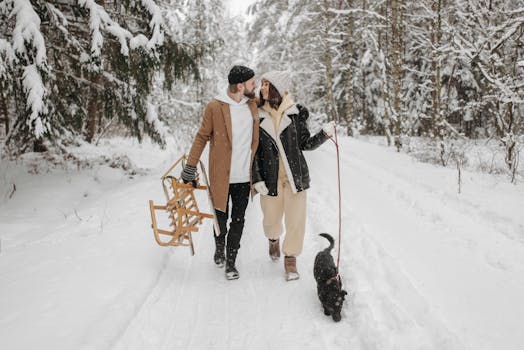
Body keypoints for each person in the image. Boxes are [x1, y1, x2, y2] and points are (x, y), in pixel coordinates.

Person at [251, 70, 335, 281]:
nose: (262, 88)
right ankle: (273, 239)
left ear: (276, 88)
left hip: (295, 178)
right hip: (270, 180)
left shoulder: (296, 113)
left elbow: (305, 144)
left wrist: (324, 135)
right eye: (261, 84)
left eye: (266, 84)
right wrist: (257, 177)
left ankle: (290, 259)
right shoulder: (257, 115)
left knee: (296, 221)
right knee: (271, 222)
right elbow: (253, 151)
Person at [181, 65, 259, 280]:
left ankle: (231, 261)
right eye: (253, 82)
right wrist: (190, 166)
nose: (257, 86)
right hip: (220, 177)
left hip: (244, 177)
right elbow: (201, 136)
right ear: (241, 85)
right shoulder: (215, 107)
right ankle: (219, 246)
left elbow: (275, 103)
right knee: (220, 219)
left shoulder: (253, 105)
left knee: (239, 219)